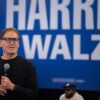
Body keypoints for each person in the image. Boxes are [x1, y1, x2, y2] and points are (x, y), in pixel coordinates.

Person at [0, 27, 38, 100]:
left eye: (15, 40)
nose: (12, 43)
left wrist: (13, 87)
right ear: (1, 43)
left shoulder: (28, 66)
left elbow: (33, 94)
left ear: (18, 44)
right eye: (8, 39)